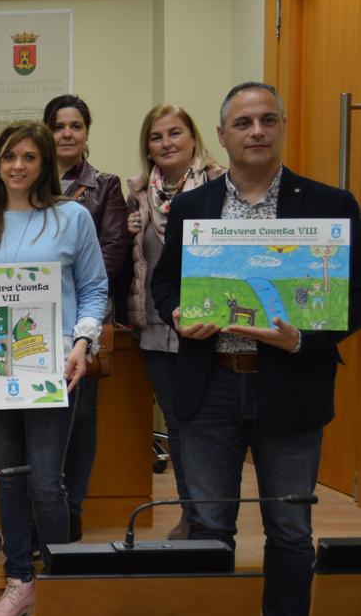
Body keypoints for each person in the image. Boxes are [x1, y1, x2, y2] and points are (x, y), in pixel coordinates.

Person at [151, 82, 361, 616]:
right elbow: (165, 284)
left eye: (268, 120)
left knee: (290, 527)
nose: (257, 131)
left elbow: (353, 298)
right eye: (243, 123)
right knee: (209, 525)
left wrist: (304, 337)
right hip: (210, 382)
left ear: (283, 127)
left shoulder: (329, 204)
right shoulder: (192, 206)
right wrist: (178, 314)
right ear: (222, 135)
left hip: (291, 384)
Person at [0, 121, 107, 616]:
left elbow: (94, 290)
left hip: (55, 365)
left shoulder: (73, 217)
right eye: (7, 157)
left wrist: (83, 342)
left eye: (28, 157)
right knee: (12, 476)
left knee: (46, 479)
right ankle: (20, 578)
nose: (17, 166)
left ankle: (60, 581)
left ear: (44, 164)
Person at [124, 104, 224, 540]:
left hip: (210, 326)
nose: (166, 143)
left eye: (175, 133)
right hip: (156, 324)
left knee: (208, 422)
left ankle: (213, 516)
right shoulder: (139, 193)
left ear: (193, 137)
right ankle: (191, 511)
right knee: (178, 423)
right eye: (156, 136)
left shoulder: (223, 184)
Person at [43, 94, 128, 541]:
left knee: (80, 417)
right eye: (59, 126)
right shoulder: (24, 183)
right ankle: (46, 503)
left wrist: (72, 300)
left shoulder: (106, 185)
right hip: (32, 320)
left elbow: (112, 250)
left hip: (83, 322)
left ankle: (71, 507)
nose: (67, 134)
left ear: (87, 133)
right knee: (37, 416)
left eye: (76, 125)